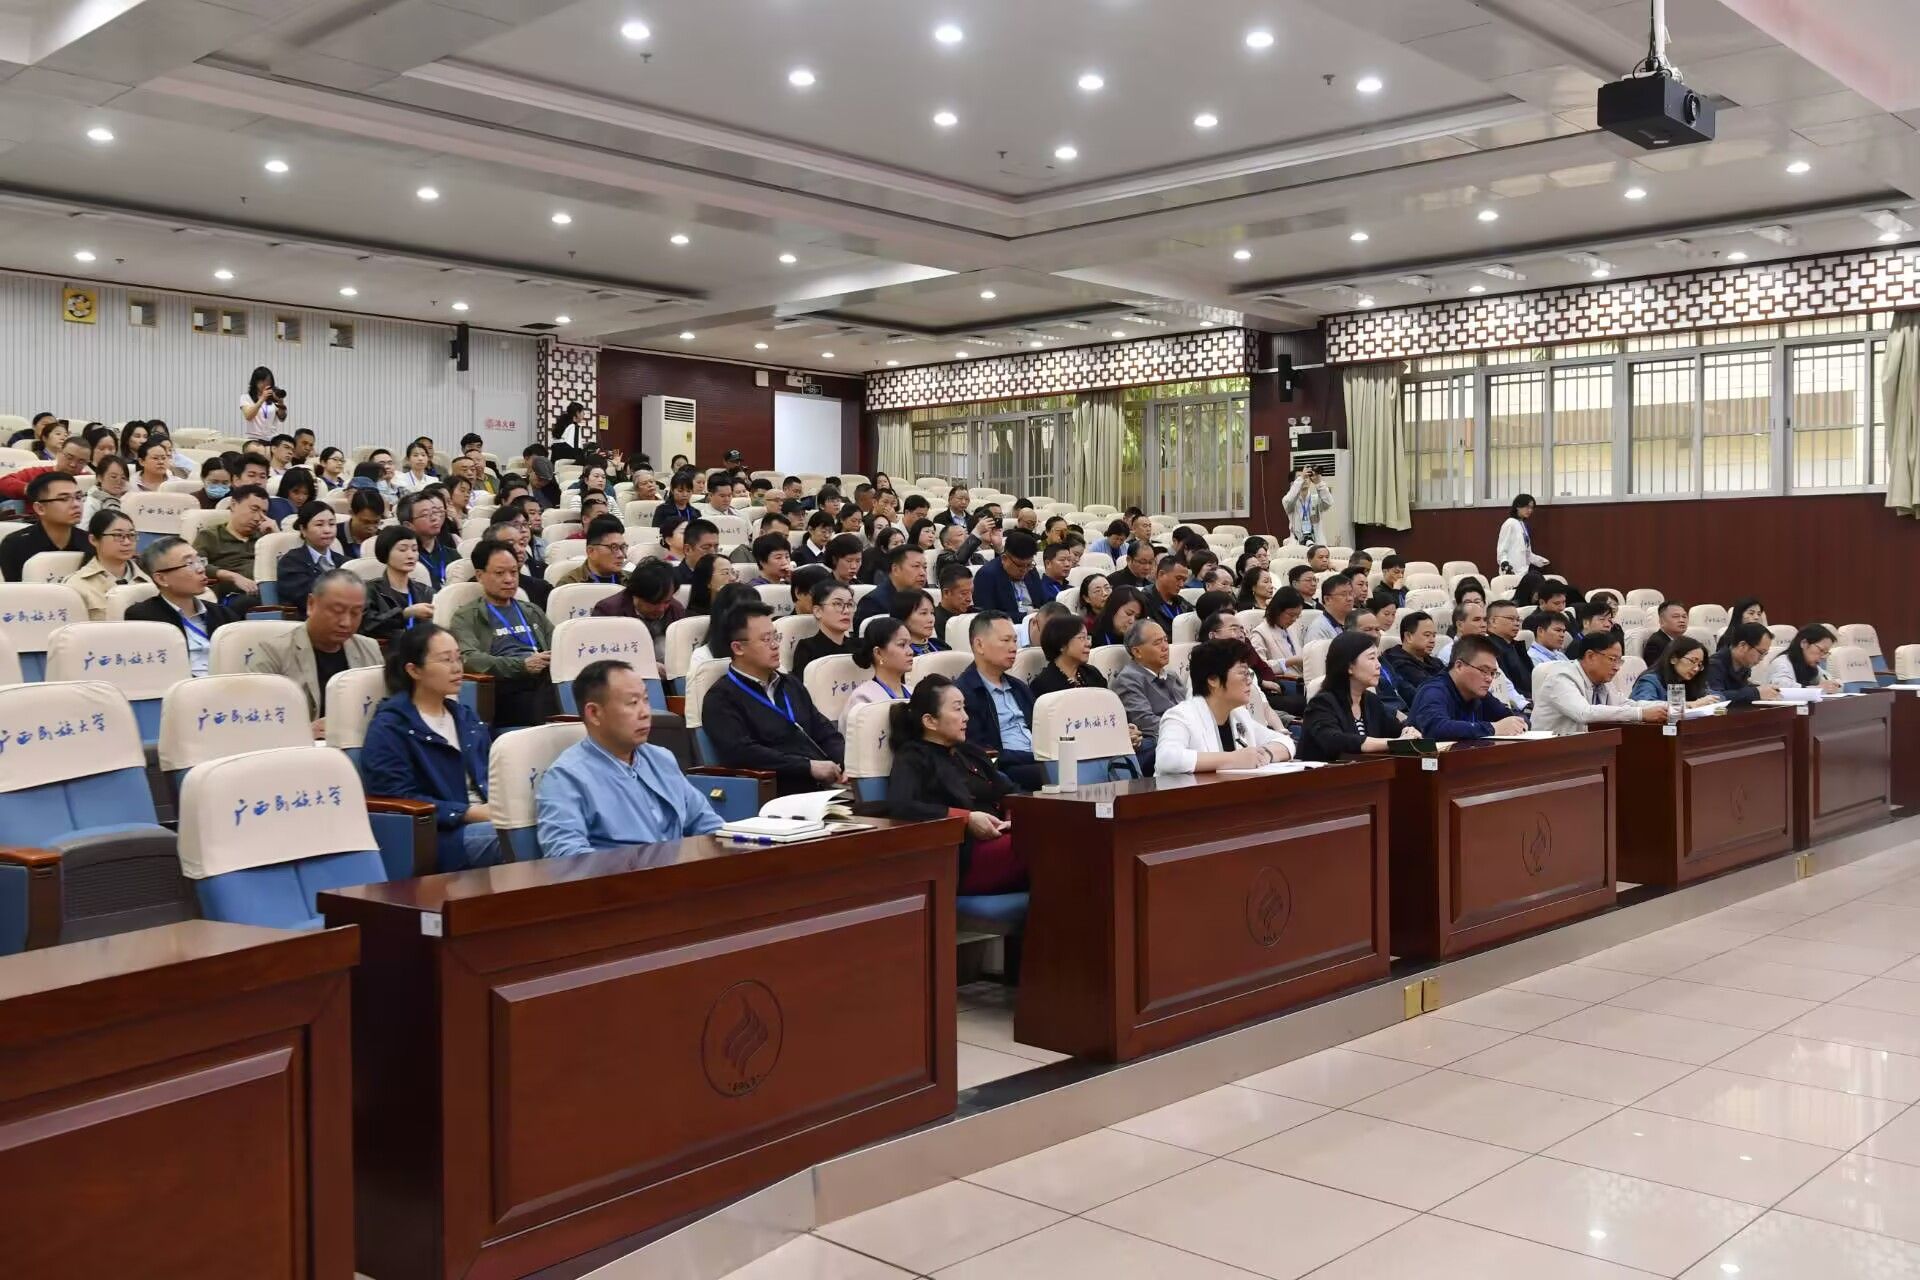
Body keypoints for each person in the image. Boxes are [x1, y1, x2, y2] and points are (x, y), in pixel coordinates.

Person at [535, 660, 722, 856]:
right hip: (620, 874)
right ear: (594, 713)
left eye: (646, 700)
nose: (645, 712)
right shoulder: (566, 777)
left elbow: (707, 824)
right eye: (633, 703)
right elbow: (565, 855)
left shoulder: (661, 759)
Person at [359, 623, 500, 871]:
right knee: (515, 837)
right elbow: (396, 796)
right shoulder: (391, 726)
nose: (457, 668)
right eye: (446, 660)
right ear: (414, 670)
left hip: (488, 816)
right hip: (441, 834)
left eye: (458, 657)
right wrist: (466, 813)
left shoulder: (465, 716)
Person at [882, 675, 1024, 893]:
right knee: (1048, 848)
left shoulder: (968, 751)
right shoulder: (913, 757)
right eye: (957, 709)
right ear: (930, 721)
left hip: (1002, 839)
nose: (966, 717)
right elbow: (901, 806)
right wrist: (966, 819)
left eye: (964, 708)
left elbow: (1009, 790)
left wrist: (1011, 818)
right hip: (961, 856)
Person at [701, 601, 846, 793]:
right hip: (775, 793)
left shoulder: (790, 684)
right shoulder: (720, 698)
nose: (775, 645)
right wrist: (807, 767)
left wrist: (846, 763)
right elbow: (742, 753)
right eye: (766, 639)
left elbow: (824, 731)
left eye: (775, 637)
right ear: (738, 648)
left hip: (824, 788)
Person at [247, 569, 381, 732]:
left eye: (355, 613)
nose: (346, 622)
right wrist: (304, 732)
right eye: (337, 611)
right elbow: (259, 722)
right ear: (311, 604)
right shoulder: (271, 653)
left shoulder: (369, 649)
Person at [449, 539, 558, 728]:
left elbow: (558, 644)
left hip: (542, 681)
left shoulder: (531, 610)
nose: (509, 579)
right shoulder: (466, 616)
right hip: (502, 687)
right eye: (500, 573)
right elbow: (469, 659)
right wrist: (521, 666)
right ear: (480, 575)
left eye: (514, 572)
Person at [1153, 638, 1294, 775]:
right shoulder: (1180, 716)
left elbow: (1285, 742)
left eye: (1249, 674)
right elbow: (1167, 759)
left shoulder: (1239, 715)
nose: (1249, 681)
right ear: (1213, 680)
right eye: (1243, 673)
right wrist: (1234, 759)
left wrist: (1265, 755)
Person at [952, 611, 1043, 791]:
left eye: (1015, 640)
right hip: (1004, 770)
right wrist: (1036, 757)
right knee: (1062, 773)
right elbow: (979, 751)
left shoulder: (1019, 687)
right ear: (979, 645)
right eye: (1005, 640)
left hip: (1038, 760)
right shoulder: (964, 693)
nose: (1013, 647)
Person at [1300, 631, 1422, 761]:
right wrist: (1393, 743)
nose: (1379, 665)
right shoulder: (1321, 704)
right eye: (1371, 658)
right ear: (1349, 666)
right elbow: (1335, 741)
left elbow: (1395, 729)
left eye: (1377, 658)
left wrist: (1408, 731)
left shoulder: (1371, 701)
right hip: (1325, 772)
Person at [127, 536, 242, 675]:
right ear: (162, 579)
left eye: (200, 561)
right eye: (189, 563)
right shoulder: (144, 619)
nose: (200, 569)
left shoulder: (225, 615)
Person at [1530, 631, 1669, 734]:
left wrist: (1669, 706)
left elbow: (1627, 704)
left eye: (1619, 661)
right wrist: (1640, 714)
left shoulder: (1603, 680)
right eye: (1612, 659)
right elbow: (1584, 713)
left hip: (1587, 747)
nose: (1617, 667)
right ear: (1590, 656)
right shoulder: (1560, 677)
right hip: (1550, 751)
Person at [1409, 635, 1530, 740]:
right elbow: (1436, 728)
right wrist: (1493, 728)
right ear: (1459, 666)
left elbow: (1511, 716)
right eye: (1483, 670)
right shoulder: (1434, 691)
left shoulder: (1479, 694)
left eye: (1493, 673)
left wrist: (1520, 722)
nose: (1489, 678)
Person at [1111, 618, 1185, 776]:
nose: (1165, 647)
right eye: (1157, 643)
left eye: (1166, 640)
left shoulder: (1171, 675)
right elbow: (1145, 722)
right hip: (1155, 745)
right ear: (1137, 652)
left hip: (1179, 738)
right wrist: (1186, 729)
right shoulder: (1128, 679)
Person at [0, 471, 93, 581]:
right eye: (64, 499)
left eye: (78, 497)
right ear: (40, 508)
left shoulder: (91, 542)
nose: (76, 505)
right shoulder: (15, 545)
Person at [66, 509, 150, 620]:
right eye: (118, 535)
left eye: (131, 535)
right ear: (93, 539)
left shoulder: (150, 581)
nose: (127, 542)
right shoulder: (77, 585)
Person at [193, 482, 270, 602]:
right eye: (254, 509)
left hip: (269, 591)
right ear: (233, 505)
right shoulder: (210, 535)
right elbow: (196, 564)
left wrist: (276, 536)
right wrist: (232, 576)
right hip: (235, 596)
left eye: (263, 513)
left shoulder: (264, 538)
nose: (258, 518)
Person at [275, 500, 350, 616]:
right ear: (303, 529)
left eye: (332, 524)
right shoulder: (290, 562)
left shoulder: (346, 563)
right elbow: (309, 598)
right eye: (319, 525)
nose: (327, 530)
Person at [361, 525, 436, 640]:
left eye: (414, 550)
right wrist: (405, 613)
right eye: (402, 550)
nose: (410, 555)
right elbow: (366, 625)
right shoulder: (369, 591)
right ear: (385, 552)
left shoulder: (426, 592)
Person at [840, 617, 914, 730]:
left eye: (910, 645)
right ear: (878, 653)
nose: (910, 652)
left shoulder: (913, 692)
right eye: (902, 645)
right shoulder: (863, 699)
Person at [1029, 611, 1113, 700]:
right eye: (1081, 638)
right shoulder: (1042, 685)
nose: (1088, 644)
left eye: (1088, 638)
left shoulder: (1093, 674)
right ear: (1062, 644)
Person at [791, 578, 857, 678]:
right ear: (818, 611)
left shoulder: (860, 646)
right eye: (838, 604)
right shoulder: (807, 649)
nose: (846, 611)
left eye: (850, 604)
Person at [854, 544, 926, 630]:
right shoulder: (873, 603)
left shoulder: (924, 599)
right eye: (916, 566)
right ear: (895, 569)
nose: (923, 573)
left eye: (925, 567)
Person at [1633, 635, 1720, 706]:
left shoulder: (1692, 681)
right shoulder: (1650, 680)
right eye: (1693, 661)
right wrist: (1691, 704)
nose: (1696, 668)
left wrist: (1712, 700)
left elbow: (1715, 695)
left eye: (1700, 665)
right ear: (1673, 659)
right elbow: (1644, 705)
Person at [1706, 626, 1776, 708]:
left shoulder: (1744, 664)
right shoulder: (1714, 665)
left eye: (1765, 654)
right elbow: (1716, 697)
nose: (1762, 658)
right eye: (1761, 652)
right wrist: (1756, 693)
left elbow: (1740, 690)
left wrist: (1763, 690)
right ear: (1742, 645)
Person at [554, 515, 629, 587]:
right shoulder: (569, 585)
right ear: (591, 551)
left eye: (623, 547)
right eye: (614, 547)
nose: (621, 555)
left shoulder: (630, 581)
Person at [1767, 624, 1843, 693]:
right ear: (1804, 643)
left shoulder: (1810, 664)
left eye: (1826, 653)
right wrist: (1817, 689)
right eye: (1821, 650)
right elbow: (1782, 688)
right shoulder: (1781, 662)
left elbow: (1834, 682)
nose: (1823, 657)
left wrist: (1833, 686)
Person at [1486, 599, 1535, 702]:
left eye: (1518, 620)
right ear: (1493, 621)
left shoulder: (1515, 646)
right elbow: (1507, 688)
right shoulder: (1489, 649)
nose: (1517, 624)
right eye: (1511, 619)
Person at [1383, 610, 1445, 692]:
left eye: (1434, 635)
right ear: (1408, 637)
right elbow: (1433, 690)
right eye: (1427, 635)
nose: (1432, 640)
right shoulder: (1398, 663)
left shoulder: (1436, 662)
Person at [1497, 492, 1547, 575]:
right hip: (1511, 572)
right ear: (1518, 506)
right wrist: (1505, 564)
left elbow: (1527, 553)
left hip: (1523, 571)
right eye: (1527, 507)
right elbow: (1502, 550)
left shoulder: (1523, 525)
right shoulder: (1510, 523)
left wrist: (1542, 561)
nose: (1530, 510)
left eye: (1531, 508)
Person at [1301, 573, 1355, 647]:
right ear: (1327, 599)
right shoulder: (1318, 629)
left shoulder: (1356, 622)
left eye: (1351, 594)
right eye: (1343, 595)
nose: (1350, 598)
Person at [1284, 464, 1332, 546]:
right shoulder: (1290, 501)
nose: (1305, 479)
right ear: (1293, 483)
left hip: (1317, 543)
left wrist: (1319, 483)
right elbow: (1288, 500)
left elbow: (1328, 503)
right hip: (1297, 544)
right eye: (1300, 477)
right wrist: (1301, 478)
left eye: (1307, 476)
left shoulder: (1315, 499)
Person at [890, 587, 948, 655]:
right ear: (903, 616)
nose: (931, 619)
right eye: (923, 613)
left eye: (932, 613)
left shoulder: (940, 645)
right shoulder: (898, 653)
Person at [1090, 585, 1148, 650]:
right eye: (1128, 613)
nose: (1132, 621)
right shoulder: (1092, 637)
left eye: (1137, 617)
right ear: (1113, 608)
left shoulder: (1138, 639)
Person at [81, 453, 131, 525]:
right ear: (99, 478)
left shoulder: (128, 498)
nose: (119, 481)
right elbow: (83, 528)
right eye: (113, 477)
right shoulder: (91, 502)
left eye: (123, 478)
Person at [242, 365, 288, 441]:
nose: (266, 384)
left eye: (268, 381)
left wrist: (281, 403)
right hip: (254, 439)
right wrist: (262, 398)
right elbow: (248, 416)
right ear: (255, 382)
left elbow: (282, 418)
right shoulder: (246, 397)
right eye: (262, 381)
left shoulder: (273, 397)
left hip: (272, 438)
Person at [1643, 600, 1689, 667]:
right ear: (1662, 621)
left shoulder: (1686, 641)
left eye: (1684, 616)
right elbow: (1656, 670)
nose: (1682, 620)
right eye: (1676, 616)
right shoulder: (1655, 644)